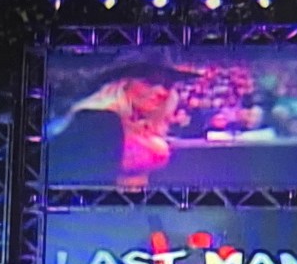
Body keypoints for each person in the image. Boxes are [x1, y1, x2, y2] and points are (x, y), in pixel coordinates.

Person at [48, 61, 200, 191]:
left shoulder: (141, 122)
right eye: (150, 82)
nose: (162, 92)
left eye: (167, 84)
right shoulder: (98, 121)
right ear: (123, 83)